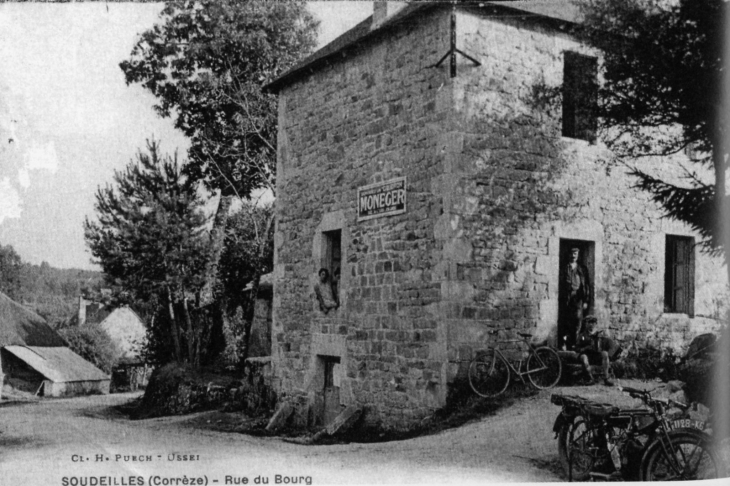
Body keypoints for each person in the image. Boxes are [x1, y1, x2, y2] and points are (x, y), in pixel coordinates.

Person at [575, 316, 622, 386]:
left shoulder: (600, 335)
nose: (591, 325)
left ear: (596, 324)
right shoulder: (582, 335)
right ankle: (590, 378)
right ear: (586, 324)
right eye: (589, 322)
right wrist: (586, 348)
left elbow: (610, 343)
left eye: (593, 323)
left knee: (605, 353)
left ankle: (606, 378)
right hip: (587, 355)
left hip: (597, 356)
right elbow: (577, 349)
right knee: (584, 357)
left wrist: (609, 354)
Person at [562, 247, 591, 350]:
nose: (573, 256)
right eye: (572, 254)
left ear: (578, 255)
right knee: (566, 321)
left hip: (578, 297)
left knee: (578, 320)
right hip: (567, 297)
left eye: (575, 254)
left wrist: (586, 300)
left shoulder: (582, 269)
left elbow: (586, 285)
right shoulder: (565, 268)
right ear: (569, 255)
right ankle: (565, 343)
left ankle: (575, 343)